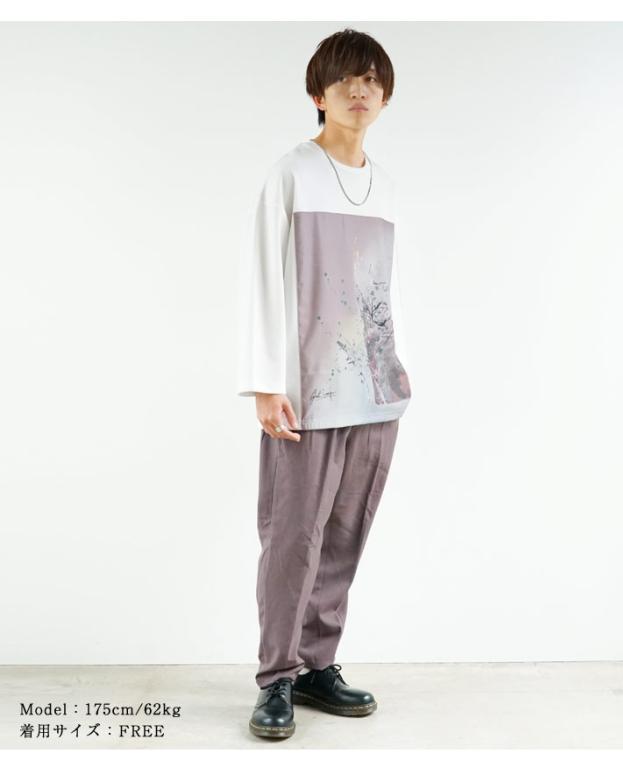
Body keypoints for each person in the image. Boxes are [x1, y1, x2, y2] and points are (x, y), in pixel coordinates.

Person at [236, 27, 412, 739]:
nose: (359, 91)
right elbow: (261, 278)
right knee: (293, 537)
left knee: (344, 534)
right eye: (345, 80)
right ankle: (276, 677)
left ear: (385, 95)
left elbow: (376, 289)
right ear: (319, 94)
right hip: (304, 393)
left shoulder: (385, 185)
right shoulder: (292, 173)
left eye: (371, 80)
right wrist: (264, 381)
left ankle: (316, 666)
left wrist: (394, 360)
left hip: (374, 392)